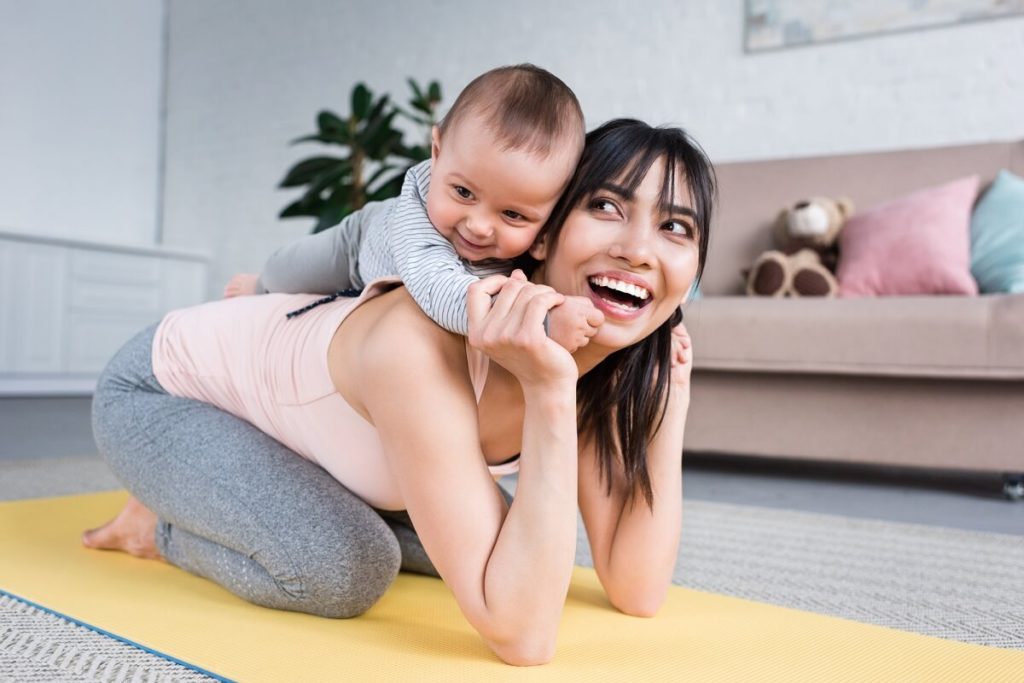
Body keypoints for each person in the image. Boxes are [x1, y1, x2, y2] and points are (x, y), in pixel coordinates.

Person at [83, 118, 715, 667]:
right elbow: (523, 635)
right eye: (607, 207)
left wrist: (670, 404)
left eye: (675, 228)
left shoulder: (614, 366)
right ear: (545, 232)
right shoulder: (420, 338)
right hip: (165, 394)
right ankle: (158, 523)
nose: (637, 251)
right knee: (345, 569)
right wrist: (549, 390)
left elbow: (637, 590)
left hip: (320, 450)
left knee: (495, 547)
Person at [225, 63, 602, 352]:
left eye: (513, 215)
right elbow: (441, 290)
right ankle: (260, 283)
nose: (479, 226)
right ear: (437, 153)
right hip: (361, 243)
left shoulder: (535, 242)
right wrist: (546, 323)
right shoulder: (417, 220)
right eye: (463, 193)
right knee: (291, 270)